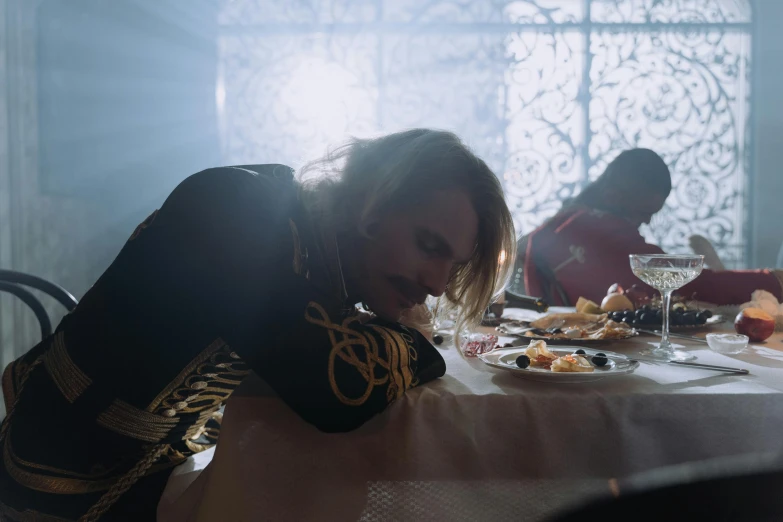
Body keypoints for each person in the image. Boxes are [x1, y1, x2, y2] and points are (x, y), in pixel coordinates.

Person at [0, 129, 516, 521]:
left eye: (452, 267)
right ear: (372, 203)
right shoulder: (238, 211)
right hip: (68, 476)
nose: (434, 283)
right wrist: (416, 340)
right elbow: (338, 389)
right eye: (429, 246)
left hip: (161, 455)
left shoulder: (315, 240)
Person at [522, 148, 782, 306]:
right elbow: (688, 282)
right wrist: (773, 280)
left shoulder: (569, 220)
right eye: (642, 213)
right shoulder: (597, 232)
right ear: (613, 196)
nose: (646, 222)